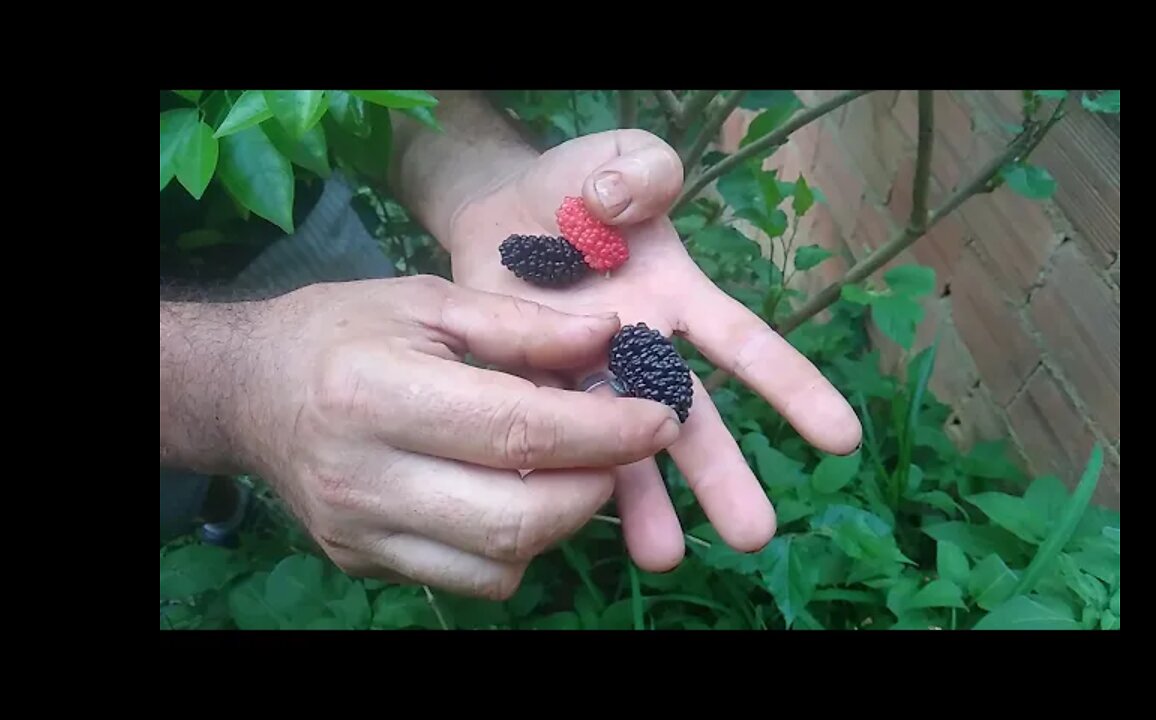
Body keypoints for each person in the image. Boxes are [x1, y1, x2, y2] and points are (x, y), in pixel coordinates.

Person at [159, 90, 863, 601]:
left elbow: (373, 105)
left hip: (296, 229)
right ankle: (203, 506)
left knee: (386, 423)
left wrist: (483, 181)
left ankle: (223, 507)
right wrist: (230, 386)